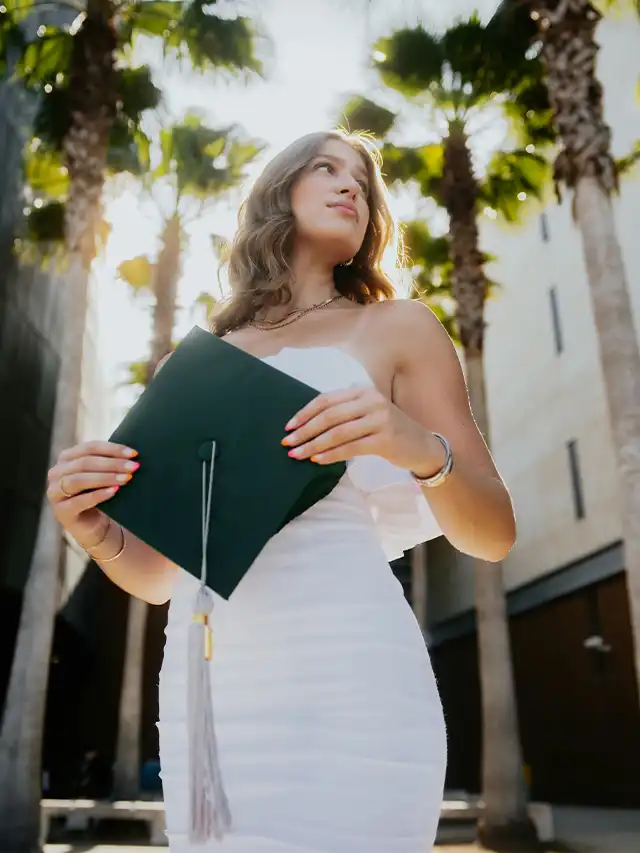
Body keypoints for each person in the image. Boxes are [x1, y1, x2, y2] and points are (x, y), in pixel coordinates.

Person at [47, 130, 516, 853]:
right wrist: (92, 528)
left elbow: (493, 531)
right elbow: (158, 572)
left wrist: (414, 444)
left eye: (362, 179)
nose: (351, 186)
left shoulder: (399, 328)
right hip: (215, 690)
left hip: (354, 670)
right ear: (278, 191)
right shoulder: (195, 361)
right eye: (327, 168)